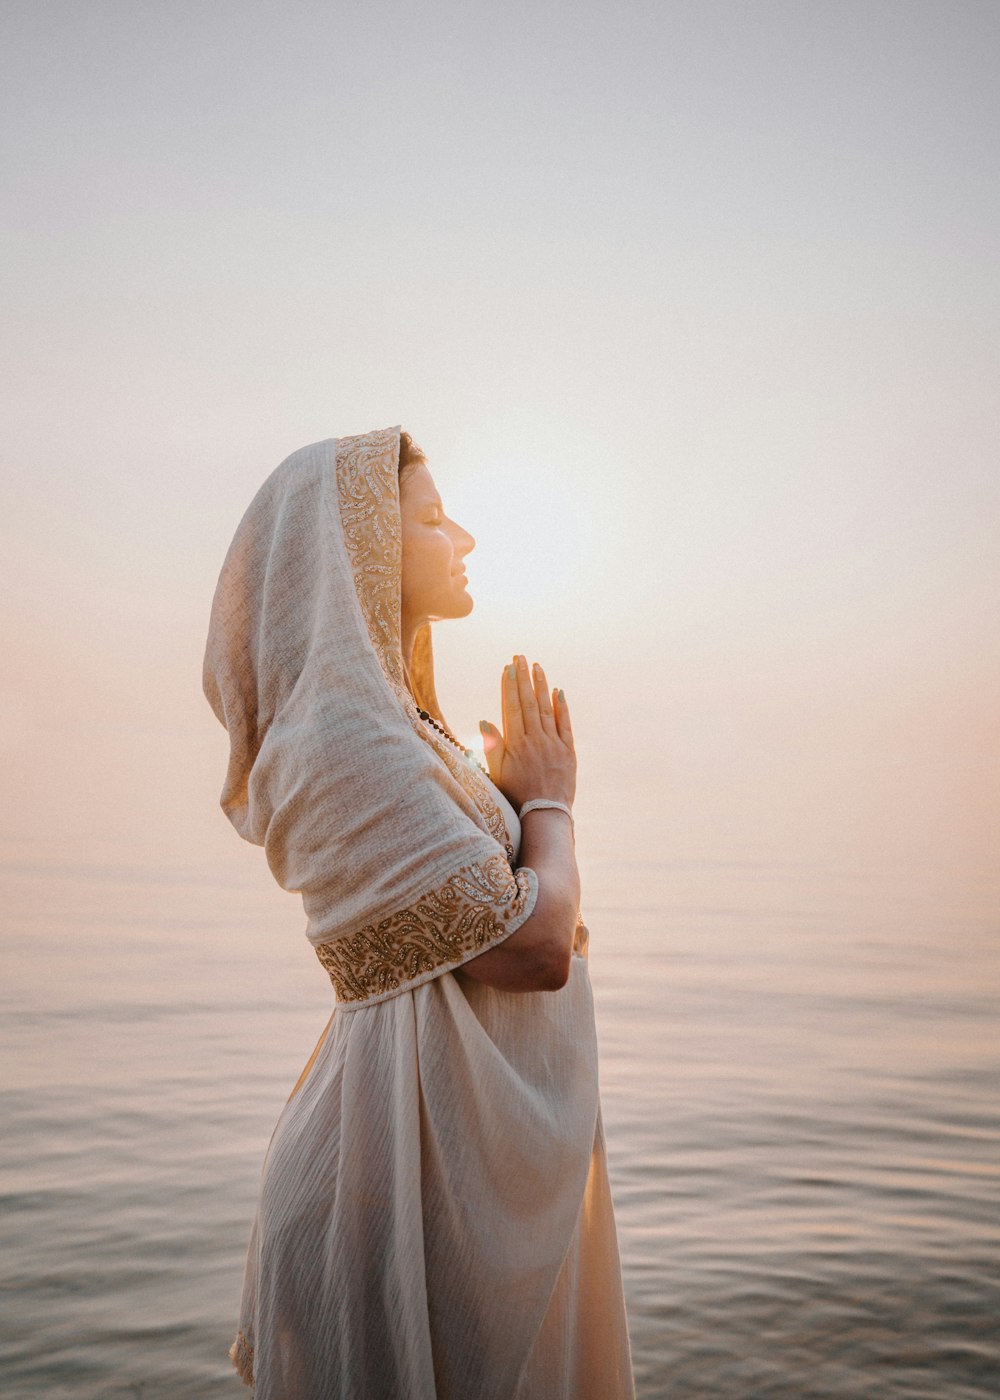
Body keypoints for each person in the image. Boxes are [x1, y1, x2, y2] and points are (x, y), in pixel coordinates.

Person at [203, 425, 635, 1399]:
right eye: (434, 519)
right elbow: (531, 948)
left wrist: (523, 812)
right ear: (358, 548)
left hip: (449, 1153)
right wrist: (549, 800)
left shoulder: (400, 733)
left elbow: (515, 919)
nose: (466, 538)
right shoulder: (346, 735)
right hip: (399, 1160)